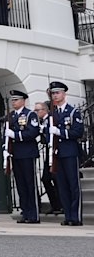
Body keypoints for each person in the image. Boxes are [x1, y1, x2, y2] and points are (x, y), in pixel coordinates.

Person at [46, 81, 84, 226]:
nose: (55, 95)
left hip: (70, 152)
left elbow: (77, 132)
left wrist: (59, 132)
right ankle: (68, 216)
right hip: (57, 154)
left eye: (57, 93)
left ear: (63, 93)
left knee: (73, 184)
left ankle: (76, 217)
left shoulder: (73, 112)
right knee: (61, 186)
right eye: (53, 93)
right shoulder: (52, 113)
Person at [4, 90, 40, 224]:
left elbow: (32, 132)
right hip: (16, 154)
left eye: (16, 100)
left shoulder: (30, 115)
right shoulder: (11, 116)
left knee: (30, 184)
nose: (14, 102)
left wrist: (16, 135)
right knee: (20, 185)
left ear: (23, 101)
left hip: (27, 153)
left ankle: (33, 214)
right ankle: (25, 212)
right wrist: (5, 149)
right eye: (12, 100)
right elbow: (6, 135)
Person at [34, 101, 62, 214]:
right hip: (48, 151)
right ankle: (55, 204)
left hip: (55, 152)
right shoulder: (41, 121)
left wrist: (43, 129)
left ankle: (61, 204)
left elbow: (53, 133)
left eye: (37, 110)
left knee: (56, 179)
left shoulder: (51, 118)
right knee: (45, 178)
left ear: (44, 110)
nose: (35, 112)